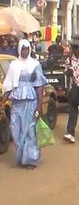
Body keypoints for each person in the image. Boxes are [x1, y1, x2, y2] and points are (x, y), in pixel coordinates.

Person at [3, 39, 47, 168]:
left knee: (29, 131)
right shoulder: (14, 65)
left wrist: (39, 106)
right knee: (16, 129)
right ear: (19, 49)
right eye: (22, 49)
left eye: (27, 49)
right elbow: (9, 85)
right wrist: (3, 101)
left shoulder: (35, 65)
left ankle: (31, 159)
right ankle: (21, 156)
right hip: (17, 102)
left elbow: (39, 86)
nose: (25, 51)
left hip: (31, 102)